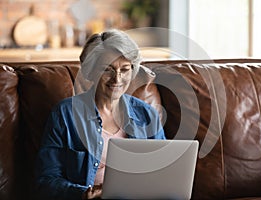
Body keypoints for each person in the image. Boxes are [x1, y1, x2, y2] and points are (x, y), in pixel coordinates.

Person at [34, 29, 166, 200]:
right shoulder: (65, 114)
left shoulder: (147, 114)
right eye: (107, 70)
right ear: (90, 70)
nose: (117, 79)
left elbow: (163, 171)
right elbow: (46, 180)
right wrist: (82, 194)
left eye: (125, 70)